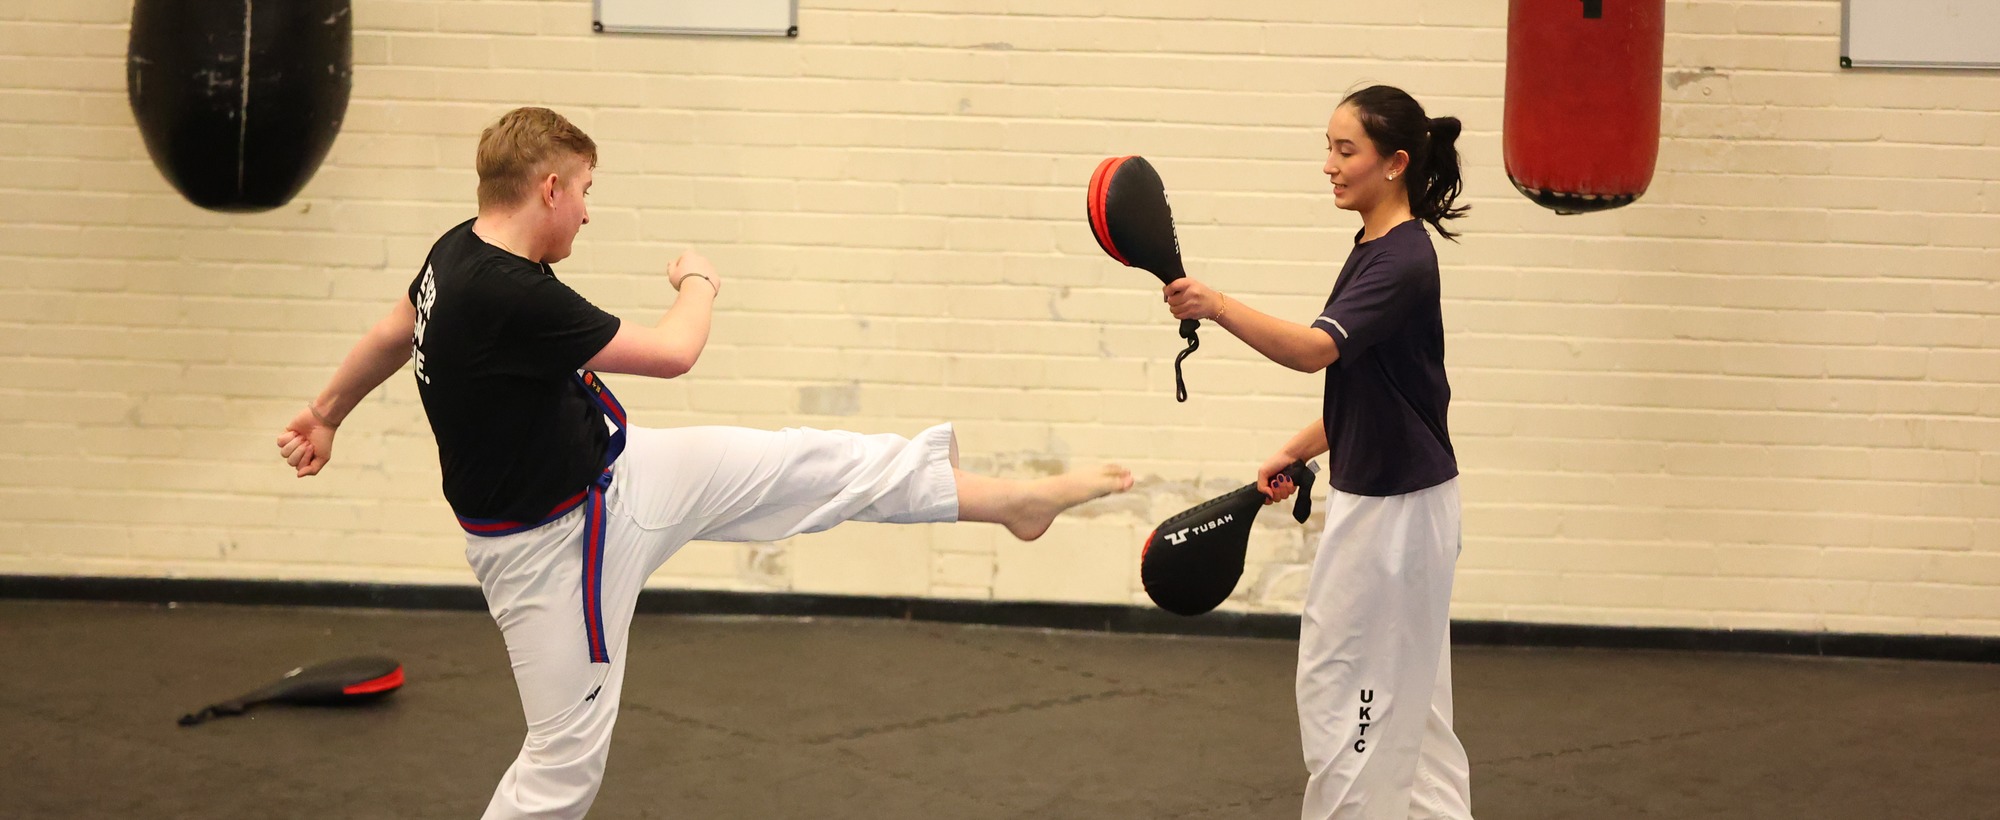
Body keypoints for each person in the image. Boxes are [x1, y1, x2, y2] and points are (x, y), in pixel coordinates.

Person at [274, 106, 1132, 819]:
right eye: (583, 193)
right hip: (557, 551)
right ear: (548, 186)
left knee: (816, 465)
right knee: (562, 761)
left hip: (627, 472)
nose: (586, 212)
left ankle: (1016, 503)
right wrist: (700, 280)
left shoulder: (453, 250)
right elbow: (676, 352)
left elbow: (392, 331)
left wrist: (325, 413)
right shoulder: (509, 290)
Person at [1161, 85, 1473, 819]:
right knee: (1412, 714)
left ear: (1394, 163)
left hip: (1395, 516)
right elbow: (1381, 387)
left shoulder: (1400, 262)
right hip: (1401, 501)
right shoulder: (1375, 246)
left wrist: (1216, 305)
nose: (1328, 167)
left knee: (1346, 696)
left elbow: (1313, 352)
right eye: (1327, 148)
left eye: (1345, 151)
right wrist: (1300, 447)